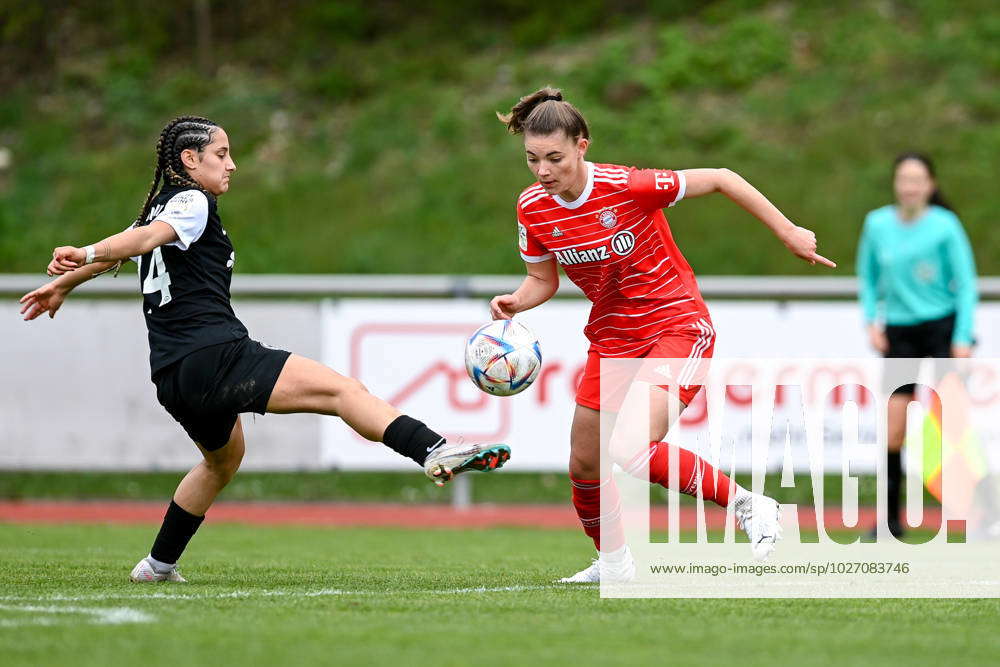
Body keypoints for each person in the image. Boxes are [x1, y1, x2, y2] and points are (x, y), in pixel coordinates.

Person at [19, 115, 510, 583]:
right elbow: (142, 239)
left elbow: (138, 241)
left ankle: (157, 564)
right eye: (222, 153)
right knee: (343, 391)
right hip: (216, 357)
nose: (232, 164)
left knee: (221, 463)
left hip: (172, 377)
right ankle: (434, 449)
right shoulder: (192, 203)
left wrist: (66, 284)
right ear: (190, 159)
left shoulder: (162, 205)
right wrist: (84, 255)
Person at [491, 87, 836, 582]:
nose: (543, 171)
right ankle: (614, 564)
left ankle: (747, 504)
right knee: (585, 462)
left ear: (582, 146)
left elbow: (720, 178)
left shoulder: (628, 185)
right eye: (532, 159)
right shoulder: (532, 208)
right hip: (613, 337)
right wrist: (515, 301)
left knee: (631, 448)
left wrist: (787, 230)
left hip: (676, 324)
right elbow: (543, 280)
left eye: (554, 158)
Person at [857, 152, 978, 538]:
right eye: (903, 179)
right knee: (894, 427)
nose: (910, 186)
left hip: (941, 329)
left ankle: (980, 514)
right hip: (900, 334)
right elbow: (867, 276)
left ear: (930, 185)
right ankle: (891, 519)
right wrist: (871, 320)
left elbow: (967, 284)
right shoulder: (876, 224)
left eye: (917, 179)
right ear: (896, 183)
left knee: (952, 425)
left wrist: (961, 337)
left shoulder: (945, 226)